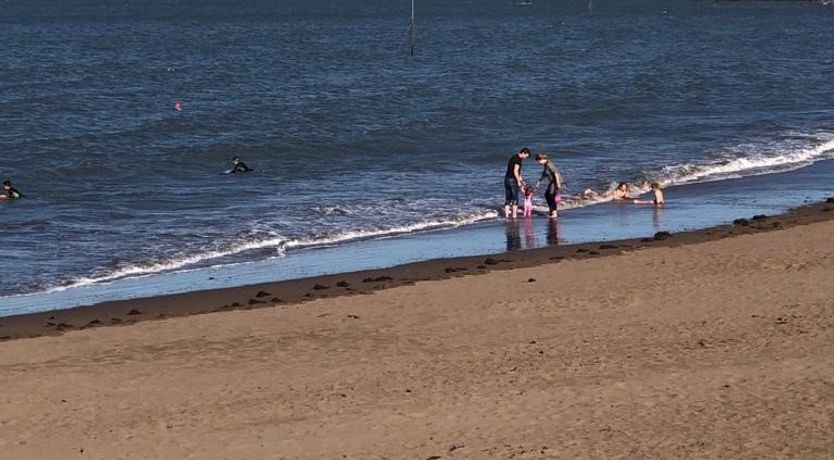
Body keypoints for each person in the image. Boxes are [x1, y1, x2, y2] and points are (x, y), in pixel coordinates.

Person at [534, 153, 563, 219]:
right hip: (552, 182)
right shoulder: (545, 165)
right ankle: (551, 210)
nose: (538, 163)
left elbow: (556, 173)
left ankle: (554, 213)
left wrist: (558, 183)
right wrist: (539, 181)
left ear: (542, 159)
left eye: (538, 161)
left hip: (556, 182)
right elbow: (544, 173)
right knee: (547, 195)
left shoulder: (549, 164)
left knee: (551, 196)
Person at [503, 147, 530, 218]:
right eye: (526, 156)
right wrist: (518, 181)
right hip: (513, 180)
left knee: (508, 198)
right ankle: (514, 216)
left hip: (506, 179)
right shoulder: (518, 159)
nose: (525, 158)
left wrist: (522, 181)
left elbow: (517, 172)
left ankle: (506, 216)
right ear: (524, 153)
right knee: (515, 199)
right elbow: (515, 171)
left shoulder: (513, 157)